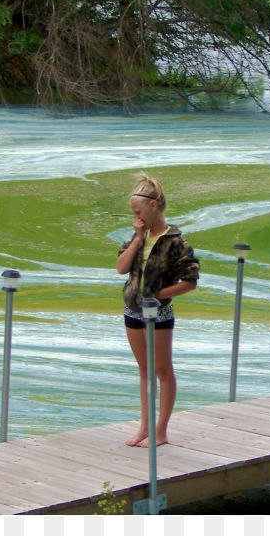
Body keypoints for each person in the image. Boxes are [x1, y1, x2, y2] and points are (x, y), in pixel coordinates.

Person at [116, 173, 200, 447]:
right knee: (144, 371)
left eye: (138, 212)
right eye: (133, 214)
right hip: (133, 311)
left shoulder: (176, 242)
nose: (136, 218)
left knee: (163, 371)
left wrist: (157, 296)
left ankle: (160, 431)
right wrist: (138, 238)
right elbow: (121, 268)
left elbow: (189, 282)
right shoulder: (137, 236)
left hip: (159, 314)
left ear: (154, 206)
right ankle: (144, 427)